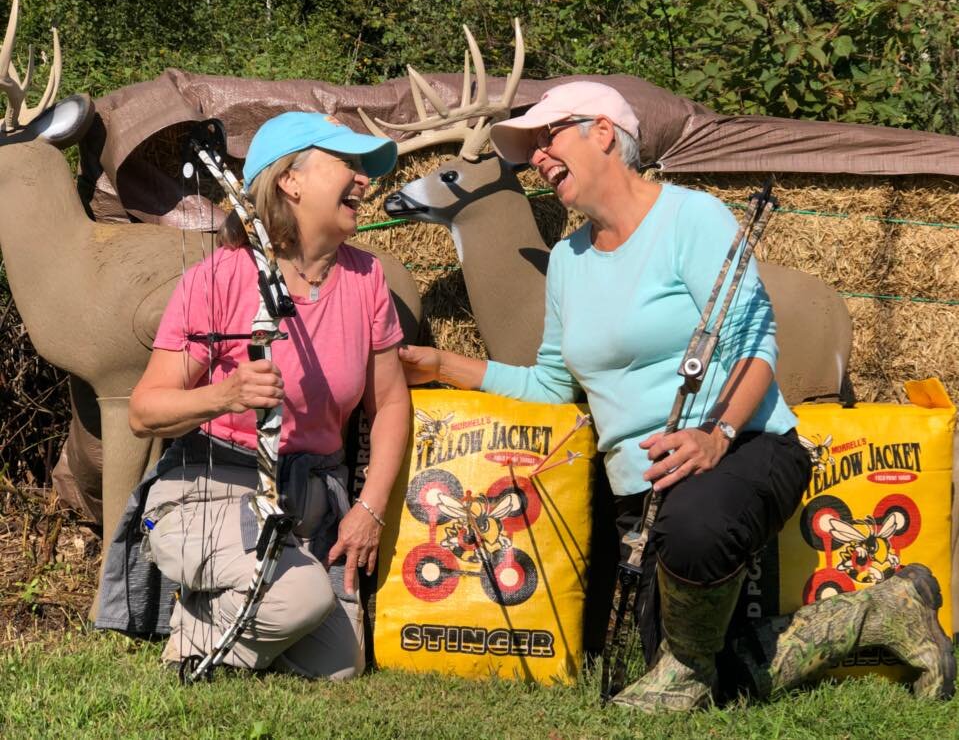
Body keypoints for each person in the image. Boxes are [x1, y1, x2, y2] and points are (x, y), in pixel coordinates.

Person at [398, 82, 955, 710]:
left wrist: (714, 434)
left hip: (744, 448)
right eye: (529, 149)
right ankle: (885, 612)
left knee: (696, 533)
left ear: (602, 132)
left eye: (547, 137)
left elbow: (755, 343)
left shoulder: (692, 218)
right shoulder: (567, 262)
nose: (536, 158)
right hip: (643, 492)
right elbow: (551, 384)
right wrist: (441, 363)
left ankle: (685, 670)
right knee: (697, 659)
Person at [97, 112, 410, 680]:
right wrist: (226, 394)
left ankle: (214, 616)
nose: (365, 180)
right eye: (348, 165)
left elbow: (389, 404)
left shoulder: (368, 279)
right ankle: (198, 656)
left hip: (303, 503)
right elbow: (145, 411)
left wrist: (370, 508)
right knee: (304, 600)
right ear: (291, 181)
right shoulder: (220, 276)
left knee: (340, 667)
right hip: (201, 499)